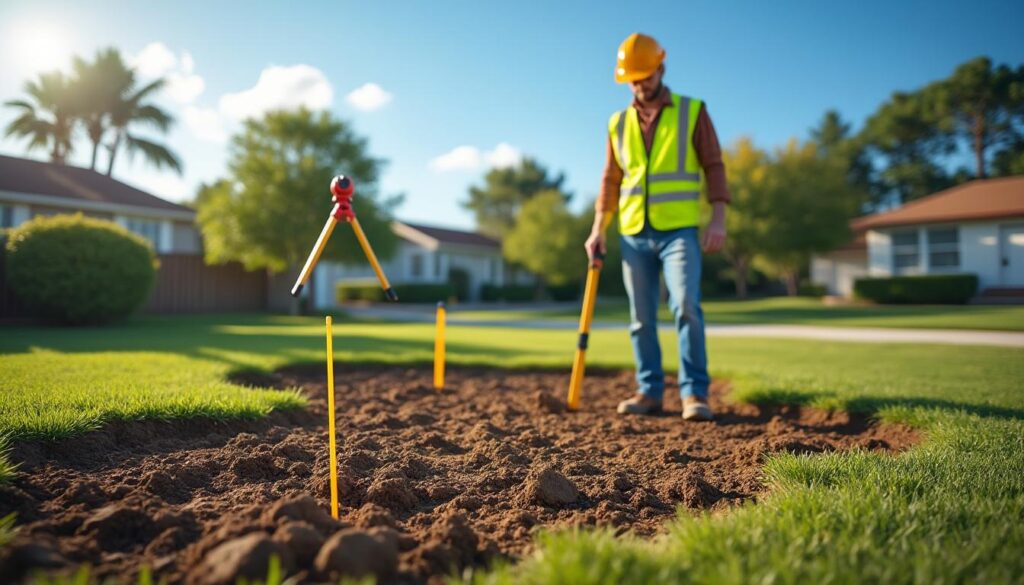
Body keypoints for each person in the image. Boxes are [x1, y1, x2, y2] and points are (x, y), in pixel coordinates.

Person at [584, 33, 730, 422]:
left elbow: (713, 165)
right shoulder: (617, 122)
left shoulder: (692, 110)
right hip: (632, 232)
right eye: (631, 78)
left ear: (661, 68)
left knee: (685, 306)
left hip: (679, 229)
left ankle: (694, 394)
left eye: (644, 76)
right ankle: (649, 392)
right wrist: (598, 227)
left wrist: (718, 217)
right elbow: (610, 179)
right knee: (641, 317)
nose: (638, 84)